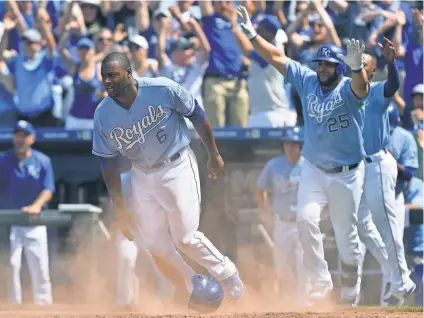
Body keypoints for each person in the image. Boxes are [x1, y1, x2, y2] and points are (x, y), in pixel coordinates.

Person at [236, 5, 369, 304]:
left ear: (339, 67)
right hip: (314, 168)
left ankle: (350, 286)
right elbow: (277, 57)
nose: (322, 68)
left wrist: (358, 67)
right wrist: (254, 36)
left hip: (347, 173)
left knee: (347, 239)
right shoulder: (307, 80)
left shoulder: (348, 88)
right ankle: (321, 283)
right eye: (319, 63)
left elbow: (363, 87)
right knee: (305, 220)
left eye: (328, 64)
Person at [91, 52, 243, 311]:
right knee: (154, 244)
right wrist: (119, 208)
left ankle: (228, 274)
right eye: (104, 76)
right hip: (142, 174)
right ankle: (193, 284)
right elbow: (108, 163)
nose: (107, 81)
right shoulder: (103, 114)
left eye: (113, 75)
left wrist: (213, 153)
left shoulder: (162, 88)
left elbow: (196, 113)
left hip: (177, 165)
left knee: (185, 237)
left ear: (129, 73)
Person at [356, 49, 416, 307]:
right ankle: (397, 274)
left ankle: (402, 280)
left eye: (362, 65)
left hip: (378, 163)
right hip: (359, 167)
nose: (356, 68)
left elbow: (393, 85)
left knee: (386, 225)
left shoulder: (378, 90)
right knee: (360, 223)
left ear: (371, 70)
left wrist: (391, 64)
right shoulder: (347, 93)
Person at [0, 120, 54, 305]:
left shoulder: (43, 160)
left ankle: (45, 306)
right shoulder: (4, 160)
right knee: (11, 265)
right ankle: (13, 307)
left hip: (34, 221)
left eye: (24, 135)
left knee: (39, 266)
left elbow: (48, 189)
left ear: (32, 138)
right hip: (10, 223)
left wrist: (37, 205)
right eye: (17, 134)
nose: (20, 139)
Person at [255, 126, 307, 304]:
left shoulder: (309, 166)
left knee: (303, 264)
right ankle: (286, 303)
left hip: (302, 223)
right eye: (287, 144)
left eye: (294, 144)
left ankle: (304, 305)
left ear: (300, 146)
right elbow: (260, 189)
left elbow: (322, 191)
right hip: (282, 222)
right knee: (282, 265)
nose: (290, 148)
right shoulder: (273, 165)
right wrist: (266, 214)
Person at [115, 171, 172, 305]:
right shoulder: (123, 180)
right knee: (127, 258)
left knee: (169, 268)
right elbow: (118, 210)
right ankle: (124, 305)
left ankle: (163, 307)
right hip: (129, 231)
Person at [403, 177, 423, 307]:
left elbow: (419, 209)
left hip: (418, 247)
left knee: (421, 282)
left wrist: (397, 207)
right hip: (399, 247)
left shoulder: (418, 184)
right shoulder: (388, 180)